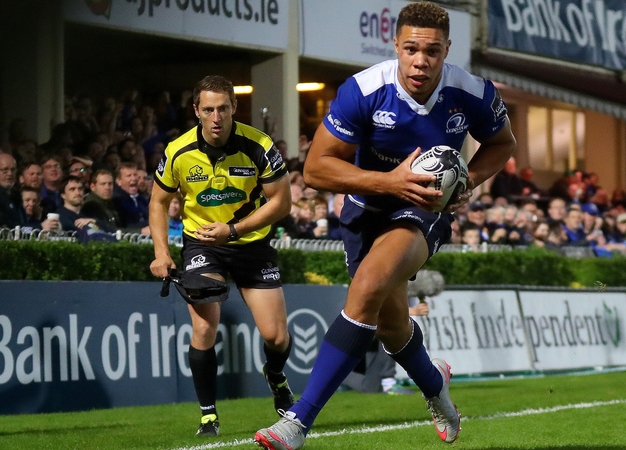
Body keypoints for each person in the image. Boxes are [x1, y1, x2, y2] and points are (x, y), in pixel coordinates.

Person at [254, 3, 516, 449]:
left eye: (432, 51)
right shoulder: (363, 90)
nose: (420, 61)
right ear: (395, 45)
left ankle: (298, 422)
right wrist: (389, 181)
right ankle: (436, 385)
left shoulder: (472, 92)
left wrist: (468, 179)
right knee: (392, 326)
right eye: (411, 49)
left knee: (368, 285)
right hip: (365, 209)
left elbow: (502, 143)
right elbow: (315, 169)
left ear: (447, 50)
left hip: (423, 211)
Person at [149, 75, 296, 437]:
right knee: (203, 326)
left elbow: (282, 202)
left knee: (277, 337)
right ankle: (208, 416)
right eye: (208, 110)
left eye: (223, 109)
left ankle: (275, 375)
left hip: (251, 243)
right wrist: (161, 253)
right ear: (196, 110)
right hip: (202, 245)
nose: (216, 118)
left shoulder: (259, 145)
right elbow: (158, 202)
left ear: (234, 108)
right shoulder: (178, 151)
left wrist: (233, 230)